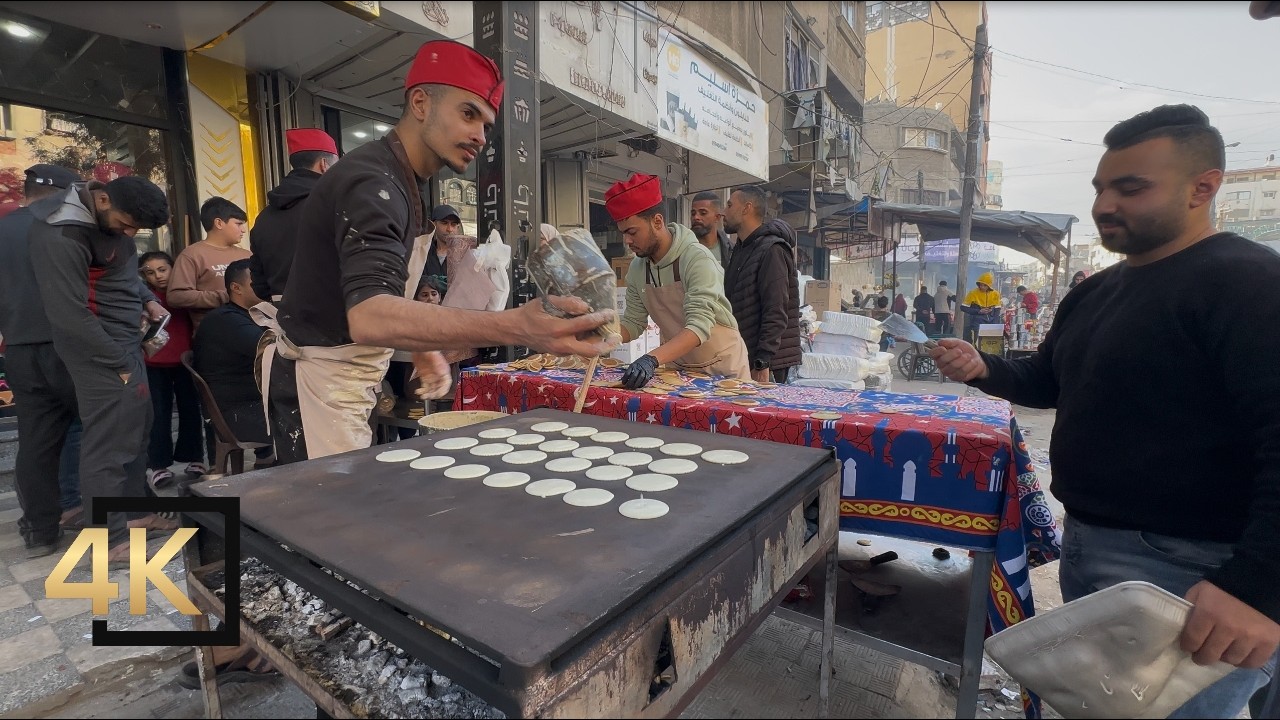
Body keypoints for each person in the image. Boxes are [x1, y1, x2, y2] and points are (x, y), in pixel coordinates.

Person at [928, 104, 1280, 719]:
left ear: (1204, 187)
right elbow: (1051, 380)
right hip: (1090, 544)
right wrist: (985, 370)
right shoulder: (1097, 290)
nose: (1105, 204)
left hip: (1197, 573)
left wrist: (1256, 587)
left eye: (1131, 187)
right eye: (1101, 187)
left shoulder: (1248, 284)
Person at [260, 40, 616, 464]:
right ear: (421, 102)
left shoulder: (403, 182)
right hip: (318, 380)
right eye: (468, 114)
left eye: (486, 125)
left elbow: (379, 286)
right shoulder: (373, 184)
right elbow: (369, 314)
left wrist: (424, 349)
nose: (480, 136)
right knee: (323, 523)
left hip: (347, 376)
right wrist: (516, 325)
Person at [30, 175, 176, 561]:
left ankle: (135, 516)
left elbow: (122, 271)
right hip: (100, 352)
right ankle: (107, 541)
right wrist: (118, 361)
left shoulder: (108, 221)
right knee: (108, 444)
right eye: (128, 224)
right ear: (104, 198)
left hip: (126, 346)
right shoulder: (61, 234)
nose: (130, 233)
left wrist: (147, 300)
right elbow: (68, 314)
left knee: (138, 428)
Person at [0, 164, 88, 554]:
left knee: (35, 441)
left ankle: (39, 530)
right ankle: (117, 521)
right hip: (72, 343)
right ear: (64, 191)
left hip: (19, 348)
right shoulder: (66, 225)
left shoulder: (3, 229)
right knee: (110, 426)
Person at [608, 173, 748, 389]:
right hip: (678, 369)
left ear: (657, 221)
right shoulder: (637, 268)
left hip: (723, 370)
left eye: (632, 232)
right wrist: (603, 335)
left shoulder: (696, 258)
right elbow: (634, 323)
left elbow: (699, 326)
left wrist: (650, 359)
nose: (627, 241)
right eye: (623, 234)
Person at [192, 259, 273, 465]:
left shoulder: (251, 315)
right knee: (308, 416)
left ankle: (267, 461)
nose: (265, 286)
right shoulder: (226, 320)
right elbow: (270, 350)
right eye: (257, 282)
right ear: (236, 288)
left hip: (249, 404)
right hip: (235, 415)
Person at [722, 184, 801, 384]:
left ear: (746, 208)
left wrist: (762, 361)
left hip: (767, 364)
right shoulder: (741, 249)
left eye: (730, 205)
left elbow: (776, 309)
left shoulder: (772, 250)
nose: (724, 212)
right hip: (744, 355)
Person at [138, 251, 204, 487]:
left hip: (186, 360)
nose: (158, 276)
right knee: (157, 414)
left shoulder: (183, 294)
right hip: (152, 363)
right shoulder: (143, 298)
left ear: (173, 268)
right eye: (150, 272)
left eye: (162, 269)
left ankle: (195, 458)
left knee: (191, 410)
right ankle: (158, 465)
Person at [249, 129, 339, 302]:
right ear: (324, 164)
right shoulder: (335, 204)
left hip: (283, 317)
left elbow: (259, 285)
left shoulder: (264, 217)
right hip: (334, 315)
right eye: (337, 163)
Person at [168, 197, 252, 331]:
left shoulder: (247, 255)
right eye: (238, 224)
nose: (243, 230)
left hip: (250, 327)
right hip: (213, 333)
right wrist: (223, 296)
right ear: (219, 223)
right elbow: (176, 296)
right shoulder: (192, 254)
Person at [423, 203, 461, 296]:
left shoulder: (465, 255)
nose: (449, 229)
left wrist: (433, 281)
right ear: (434, 224)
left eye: (453, 224)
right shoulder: (423, 252)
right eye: (444, 223)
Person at [689, 190, 732, 268]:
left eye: (703, 213)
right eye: (693, 213)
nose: (696, 217)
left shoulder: (732, 251)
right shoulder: (682, 248)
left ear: (717, 217)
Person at [961, 271, 1002, 343]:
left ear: (989, 285)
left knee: (990, 342)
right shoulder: (973, 293)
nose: (982, 287)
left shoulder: (995, 294)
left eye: (984, 285)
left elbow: (997, 309)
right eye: (980, 285)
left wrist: (995, 323)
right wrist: (978, 311)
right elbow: (963, 307)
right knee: (978, 342)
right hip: (977, 321)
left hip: (991, 321)